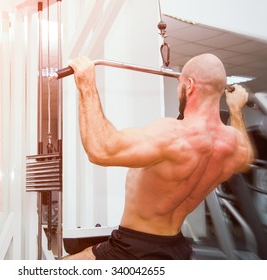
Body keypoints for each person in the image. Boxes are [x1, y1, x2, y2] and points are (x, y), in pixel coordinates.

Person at [63, 54, 255, 260]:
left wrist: (86, 83)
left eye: (179, 84)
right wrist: (235, 110)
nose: (178, 90)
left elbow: (101, 149)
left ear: (190, 85)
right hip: (177, 249)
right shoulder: (233, 144)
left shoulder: (173, 134)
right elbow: (246, 160)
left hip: (133, 249)